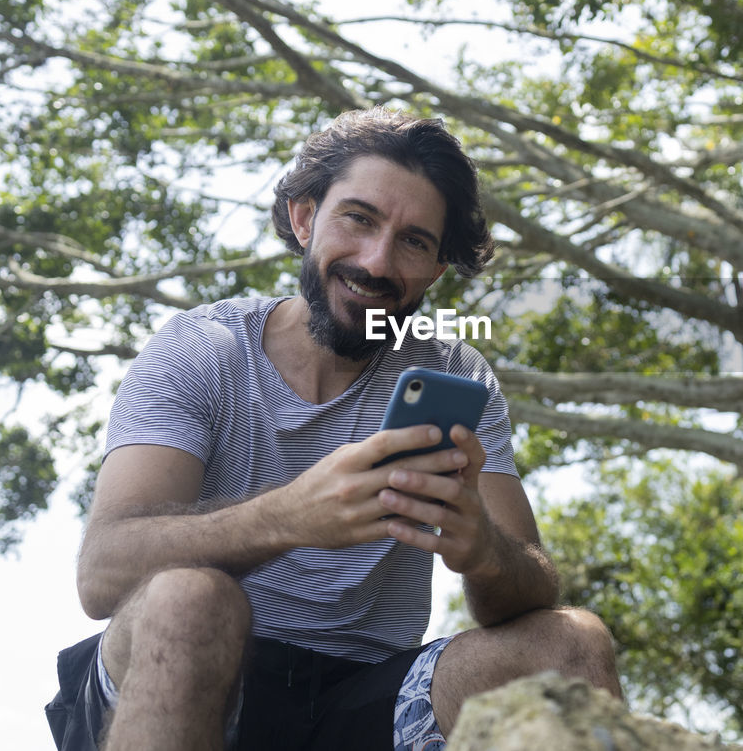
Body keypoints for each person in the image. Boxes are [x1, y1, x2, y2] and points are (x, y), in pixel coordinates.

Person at [44, 108, 622, 751]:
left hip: (367, 697)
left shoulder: (456, 373)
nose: (377, 262)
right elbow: (101, 576)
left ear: (434, 270)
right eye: (359, 218)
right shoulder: (201, 349)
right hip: (192, 672)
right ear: (303, 217)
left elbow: (530, 586)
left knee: (570, 641)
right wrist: (291, 516)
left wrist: (483, 549)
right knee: (189, 598)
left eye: (414, 241)